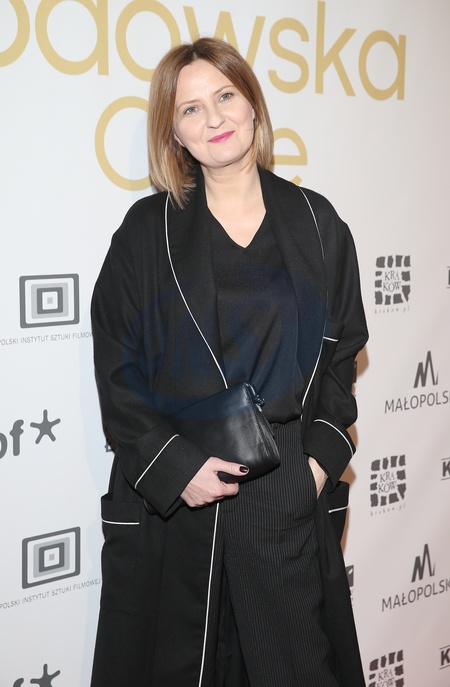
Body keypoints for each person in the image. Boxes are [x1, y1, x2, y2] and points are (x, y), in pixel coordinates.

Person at [90, 37, 368, 687]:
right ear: (174, 133)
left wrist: (316, 467)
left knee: (295, 666)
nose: (213, 118)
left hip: (287, 495)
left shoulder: (318, 223)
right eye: (190, 109)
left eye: (225, 96)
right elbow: (116, 366)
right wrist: (174, 468)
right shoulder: (145, 231)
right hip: (184, 502)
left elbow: (342, 355)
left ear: (253, 105)